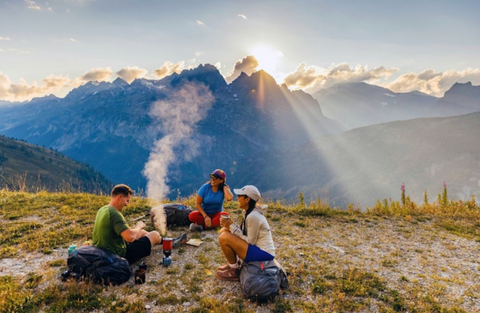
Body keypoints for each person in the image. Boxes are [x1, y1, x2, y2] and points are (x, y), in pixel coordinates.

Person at [92, 184, 185, 264]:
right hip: (119, 256)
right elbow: (130, 237)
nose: (127, 204)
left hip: (103, 251)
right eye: (127, 200)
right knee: (154, 234)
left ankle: (168, 242)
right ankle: (163, 241)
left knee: (142, 232)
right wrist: (139, 226)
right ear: (120, 197)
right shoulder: (114, 214)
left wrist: (138, 230)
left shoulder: (103, 209)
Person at [216, 185, 275, 281]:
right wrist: (229, 226)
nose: (237, 198)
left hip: (264, 253)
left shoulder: (253, 216)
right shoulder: (248, 212)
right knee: (224, 231)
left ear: (247, 199)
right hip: (258, 249)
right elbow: (243, 233)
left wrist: (231, 226)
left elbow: (250, 241)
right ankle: (233, 265)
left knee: (225, 237)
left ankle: (234, 271)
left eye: (240, 196)